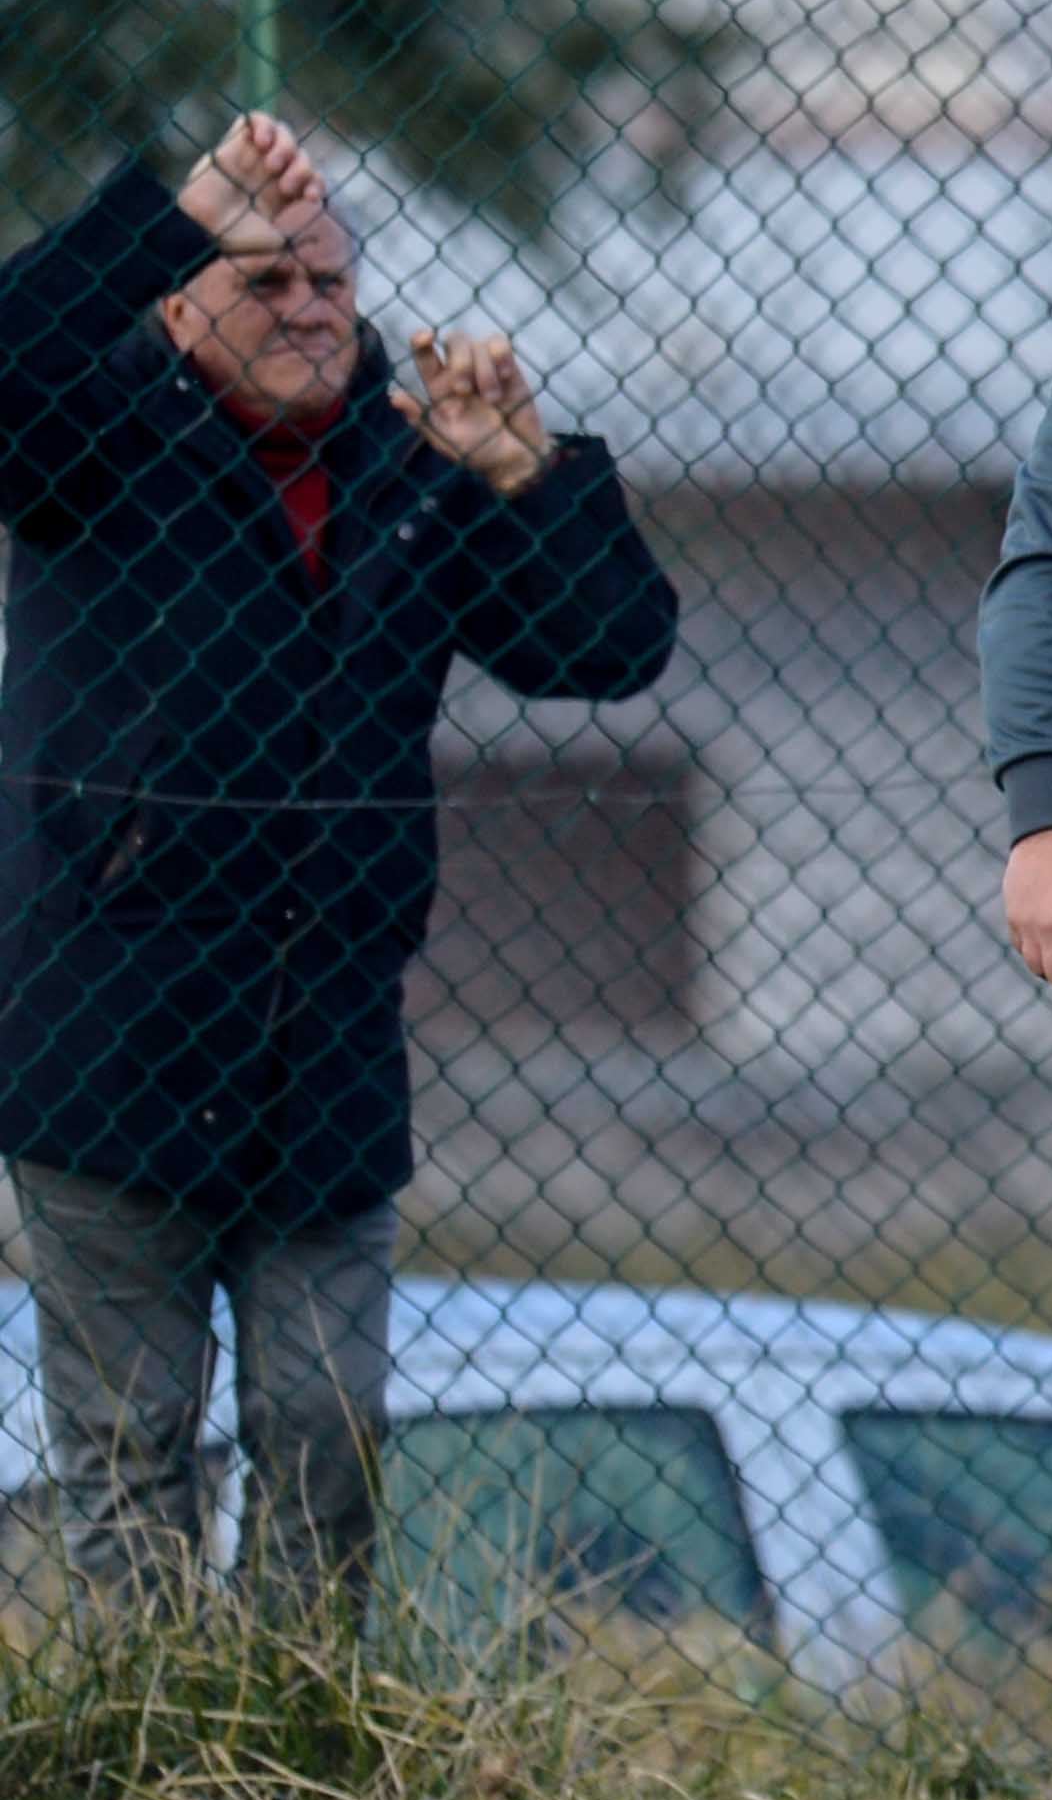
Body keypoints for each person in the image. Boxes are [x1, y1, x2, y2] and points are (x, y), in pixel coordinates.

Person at [0, 115, 678, 1627]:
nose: (308, 310)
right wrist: (166, 216)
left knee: (327, 1422)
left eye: (328, 283)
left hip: (325, 1048)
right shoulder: (96, 432)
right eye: (261, 281)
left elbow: (610, 648)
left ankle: (297, 1714)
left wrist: (530, 477)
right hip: (105, 1036)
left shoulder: (408, 459)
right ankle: (153, 1730)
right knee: (130, 1440)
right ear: (182, 305)